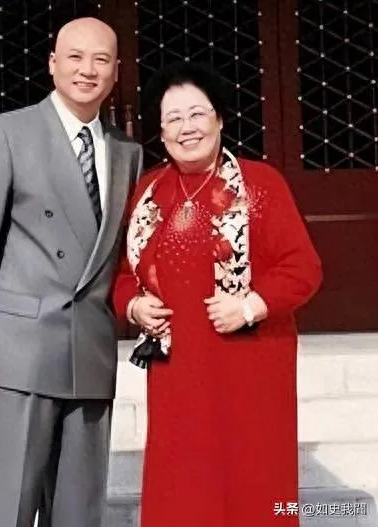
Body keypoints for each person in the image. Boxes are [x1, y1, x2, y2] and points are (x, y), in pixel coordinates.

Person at [0, 17, 142, 527]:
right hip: (20, 350)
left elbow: (125, 251)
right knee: (10, 505)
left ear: (116, 71)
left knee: (80, 512)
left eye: (101, 60)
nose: (87, 70)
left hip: (91, 349)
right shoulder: (6, 134)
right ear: (53, 64)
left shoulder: (127, 151)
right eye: (75, 57)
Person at [112, 62, 322, 527]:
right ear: (161, 133)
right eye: (173, 118)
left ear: (220, 118)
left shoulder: (261, 184)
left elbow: (303, 268)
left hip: (251, 367)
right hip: (177, 373)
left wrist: (250, 305)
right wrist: (134, 305)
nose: (186, 127)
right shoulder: (148, 192)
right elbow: (124, 275)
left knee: (255, 480)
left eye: (197, 114)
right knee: (183, 485)